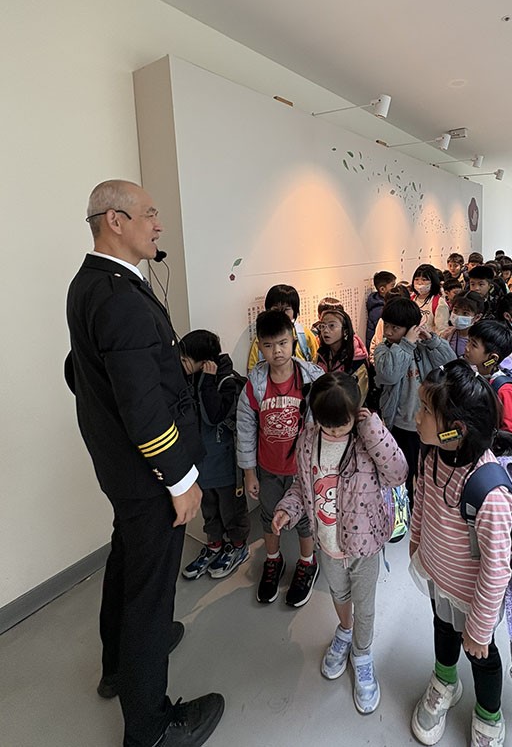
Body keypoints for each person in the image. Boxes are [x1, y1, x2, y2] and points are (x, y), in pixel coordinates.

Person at [65, 179, 224, 747]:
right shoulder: (118, 297)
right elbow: (141, 406)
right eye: (149, 214)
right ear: (115, 220)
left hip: (121, 469)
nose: (159, 224)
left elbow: (80, 371)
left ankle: (116, 667)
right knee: (151, 595)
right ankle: (151, 727)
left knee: (128, 564)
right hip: (149, 476)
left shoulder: (89, 284)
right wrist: (180, 480)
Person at [272, 373, 408, 715]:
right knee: (339, 593)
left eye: (342, 425)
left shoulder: (366, 440)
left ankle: (362, 654)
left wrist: (373, 428)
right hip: (327, 542)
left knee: (365, 605)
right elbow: (302, 488)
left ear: (355, 413)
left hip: (364, 545)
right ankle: (344, 632)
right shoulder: (308, 440)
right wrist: (288, 510)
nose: (334, 432)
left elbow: (398, 473)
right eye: (327, 425)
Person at [409, 362, 512, 747]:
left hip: (474, 598)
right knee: (442, 627)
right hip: (440, 578)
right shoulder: (431, 455)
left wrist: (481, 627)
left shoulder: (489, 493)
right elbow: (421, 500)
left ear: (455, 429)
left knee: (481, 656)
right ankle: (445, 681)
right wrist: (416, 543)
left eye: (425, 410)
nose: (416, 416)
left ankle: (489, 715)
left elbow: (497, 569)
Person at [237, 310, 324, 605]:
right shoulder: (255, 384)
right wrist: (249, 472)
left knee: (304, 519)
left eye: (283, 343)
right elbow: (245, 429)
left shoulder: (312, 379)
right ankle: (273, 560)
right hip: (269, 468)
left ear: (293, 342)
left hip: (303, 470)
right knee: (269, 515)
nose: (277, 351)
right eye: (269, 345)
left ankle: (307, 562)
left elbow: (325, 424)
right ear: (260, 347)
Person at [179, 330, 250, 581]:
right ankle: (215, 545)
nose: (181, 363)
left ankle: (238, 546)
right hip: (201, 460)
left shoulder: (225, 380)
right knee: (209, 506)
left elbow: (214, 415)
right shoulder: (189, 378)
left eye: (185, 359)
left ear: (205, 362)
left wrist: (208, 381)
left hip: (225, 460)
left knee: (230, 508)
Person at [373, 298, 456, 508]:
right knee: (404, 472)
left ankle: (428, 508)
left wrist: (433, 341)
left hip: (430, 424)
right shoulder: (383, 349)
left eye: (395, 328)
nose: (388, 331)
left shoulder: (424, 347)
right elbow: (390, 374)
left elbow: (451, 364)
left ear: (411, 328)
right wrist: (406, 344)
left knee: (430, 472)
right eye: (386, 325)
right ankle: (407, 510)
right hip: (400, 424)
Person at [464, 320, 512, 440]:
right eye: (468, 341)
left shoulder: (506, 391)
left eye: (473, 345)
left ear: (492, 358)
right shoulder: (475, 377)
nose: (467, 348)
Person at [247, 284, 318, 370]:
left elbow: (316, 360)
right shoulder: (262, 338)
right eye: (276, 310)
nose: (281, 314)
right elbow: (253, 369)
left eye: (286, 310)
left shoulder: (305, 334)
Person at [316, 307, 369, 375]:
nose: (325, 331)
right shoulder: (321, 354)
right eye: (323, 326)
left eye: (332, 325)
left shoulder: (356, 359)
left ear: (345, 331)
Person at [442, 292, 485, 358]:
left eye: (465, 313)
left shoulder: (481, 340)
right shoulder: (447, 333)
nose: (458, 316)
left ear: (477, 317)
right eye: (455, 310)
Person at [411, 263, 451, 335]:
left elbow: (441, 331)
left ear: (433, 282)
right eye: (416, 279)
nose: (419, 283)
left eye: (424, 280)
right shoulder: (411, 299)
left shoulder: (439, 303)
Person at [365, 271, 396, 346]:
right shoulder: (379, 311)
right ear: (382, 289)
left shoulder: (379, 304)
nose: (395, 289)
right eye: (392, 286)